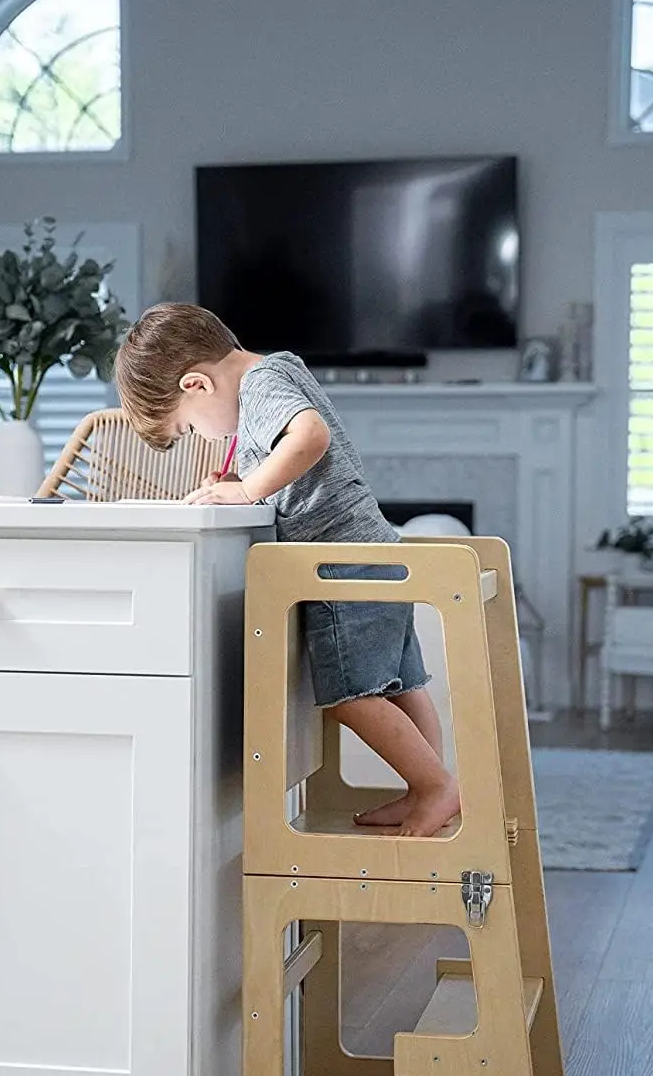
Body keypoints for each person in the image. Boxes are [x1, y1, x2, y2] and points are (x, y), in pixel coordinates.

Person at [114, 302, 459, 838]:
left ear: (197, 385)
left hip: (342, 565)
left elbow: (310, 437)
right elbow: (291, 451)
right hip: (374, 552)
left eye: (187, 427)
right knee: (400, 683)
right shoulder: (278, 370)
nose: (202, 436)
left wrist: (249, 489)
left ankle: (436, 786)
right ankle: (425, 788)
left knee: (350, 696)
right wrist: (241, 473)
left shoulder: (261, 383)